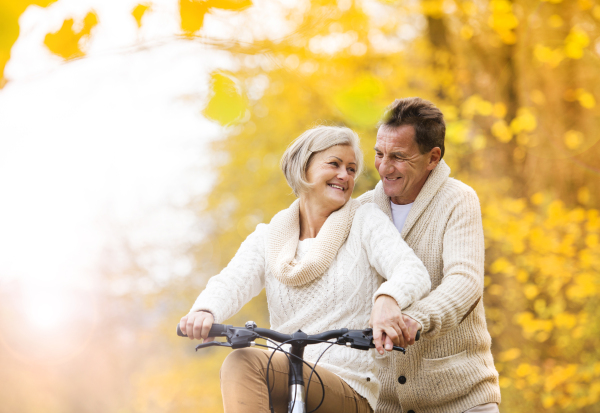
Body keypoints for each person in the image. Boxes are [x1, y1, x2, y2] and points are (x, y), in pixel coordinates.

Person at [179, 125, 431, 413]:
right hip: (286, 378)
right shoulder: (268, 237)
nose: (344, 176)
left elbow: (412, 271)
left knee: (244, 361)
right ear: (303, 168)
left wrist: (387, 299)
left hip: (348, 386)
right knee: (244, 366)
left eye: (351, 169)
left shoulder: (364, 221)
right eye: (334, 164)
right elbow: (231, 282)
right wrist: (205, 311)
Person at [359, 97, 501, 413]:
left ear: (432, 157)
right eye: (379, 154)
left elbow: (465, 282)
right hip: (383, 404)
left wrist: (414, 319)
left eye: (398, 156)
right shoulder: (362, 209)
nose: (384, 167)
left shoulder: (458, 200)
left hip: (461, 400)